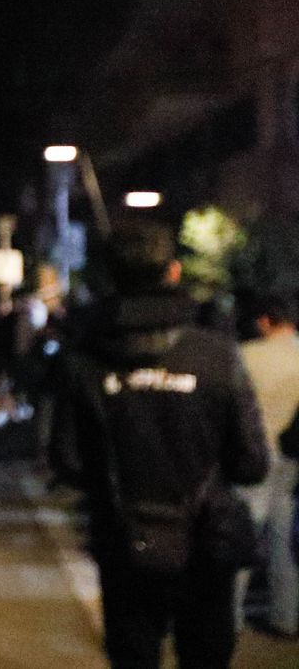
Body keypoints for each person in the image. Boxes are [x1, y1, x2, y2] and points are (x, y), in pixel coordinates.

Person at [51, 219, 269, 669]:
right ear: (173, 273)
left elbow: (67, 460)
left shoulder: (85, 362)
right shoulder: (217, 356)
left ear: (112, 279)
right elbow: (252, 463)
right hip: (206, 543)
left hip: (124, 540)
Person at [236, 294, 299, 635]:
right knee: (282, 539)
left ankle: (228, 618)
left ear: (264, 321)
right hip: (290, 459)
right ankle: (286, 617)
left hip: (252, 456)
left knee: (242, 537)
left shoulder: (246, 356)